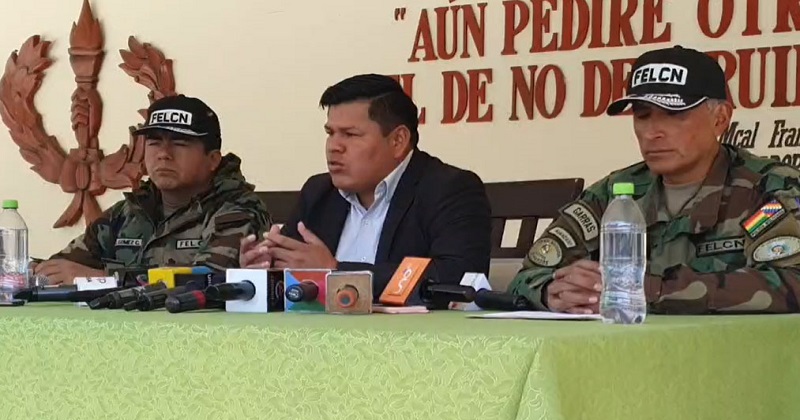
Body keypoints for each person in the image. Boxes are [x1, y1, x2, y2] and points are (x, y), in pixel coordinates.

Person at [509, 45, 800, 315]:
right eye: (643, 115)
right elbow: (529, 275)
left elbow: (792, 281)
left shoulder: (767, 189)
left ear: (720, 118)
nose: (652, 132)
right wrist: (554, 293)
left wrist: (648, 291)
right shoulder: (613, 194)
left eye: (673, 114)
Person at [239, 74, 492, 297]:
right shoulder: (319, 192)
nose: (334, 146)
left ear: (398, 141)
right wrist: (263, 271)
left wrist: (336, 272)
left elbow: (457, 277)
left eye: (350, 134)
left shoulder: (450, 189)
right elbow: (295, 272)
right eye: (330, 133)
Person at [34, 95, 271, 285]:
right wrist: (35, 271)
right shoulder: (131, 210)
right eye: (154, 142)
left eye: (179, 143)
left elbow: (210, 281)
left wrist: (103, 278)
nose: (163, 154)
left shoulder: (238, 210)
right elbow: (66, 266)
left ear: (213, 160)